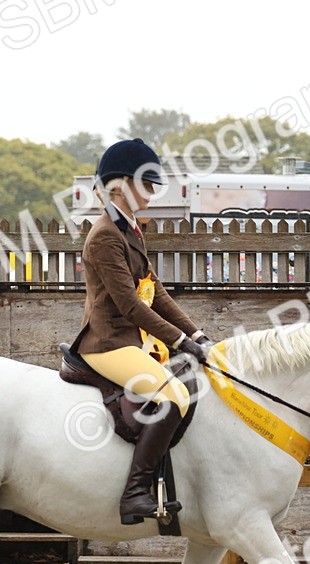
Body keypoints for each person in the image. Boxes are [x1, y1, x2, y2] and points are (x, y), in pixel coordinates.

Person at [73, 138, 214, 524]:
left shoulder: (130, 230)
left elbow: (156, 293)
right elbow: (130, 306)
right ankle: (135, 493)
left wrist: (197, 335)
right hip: (107, 342)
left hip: (130, 339)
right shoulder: (104, 235)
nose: (152, 194)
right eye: (146, 185)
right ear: (119, 184)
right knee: (173, 397)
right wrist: (180, 341)